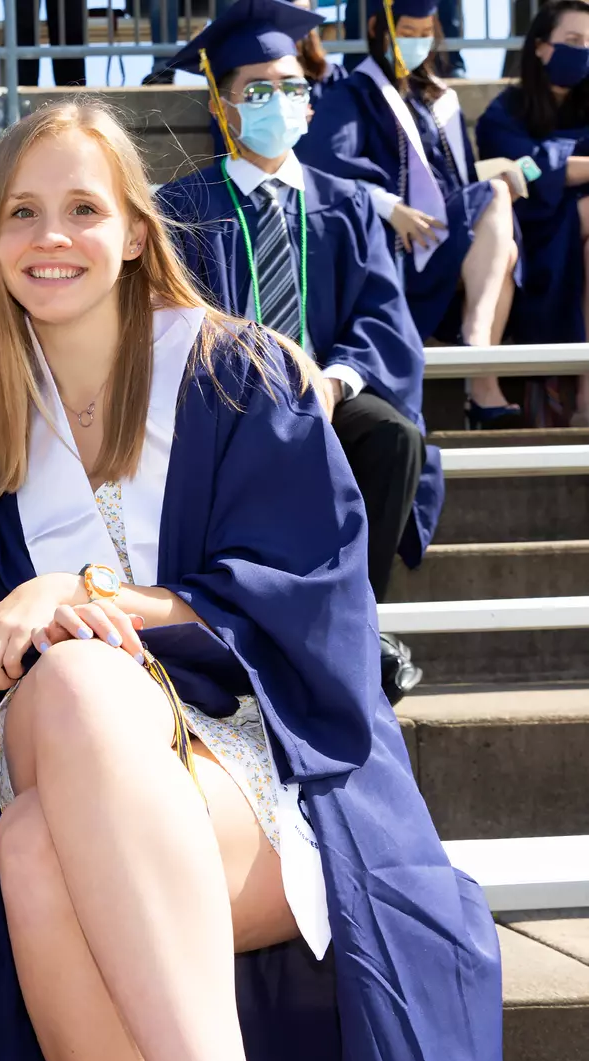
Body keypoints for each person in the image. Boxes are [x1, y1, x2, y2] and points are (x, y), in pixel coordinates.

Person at [0, 98, 502, 1061]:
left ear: (131, 231)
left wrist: (78, 591)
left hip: (250, 746)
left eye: (82, 207)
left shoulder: (233, 371)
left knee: (35, 847)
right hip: (52, 743)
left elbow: (309, 595)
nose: (51, 237)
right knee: (75, 685)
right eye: (21, 213)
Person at [157, 0, 437, 702]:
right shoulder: (183, 208)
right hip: (227, 405)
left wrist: (336, 381)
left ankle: (356, 619)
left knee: (392, 437)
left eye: (291, 88)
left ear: (310, 105)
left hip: (325, 397)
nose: (277, 103)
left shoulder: (343, 203)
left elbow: (382, 314)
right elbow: (171, 318)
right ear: (222, 106)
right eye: (257, 90)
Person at [301, 0, 526, 428]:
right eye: (407, 29)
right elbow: (324, 165)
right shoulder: (355, 93)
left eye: (426, 31)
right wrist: (389, 207)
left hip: (445, 237)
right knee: (497, 217)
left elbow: (456, 182)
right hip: (401, 246)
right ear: (377, 29)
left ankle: (482, 382)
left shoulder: (438, 97)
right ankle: (480, 358)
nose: (417, 40)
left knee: (503, 227)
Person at [477, 0, 589, 427]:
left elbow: (546, 166)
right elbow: (528, 174)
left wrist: (562, 168)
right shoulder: (505, 112)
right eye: (573, 41)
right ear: (542, 47)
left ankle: (586, 391)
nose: (584, 52)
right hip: (530, 240)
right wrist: (560, 168)